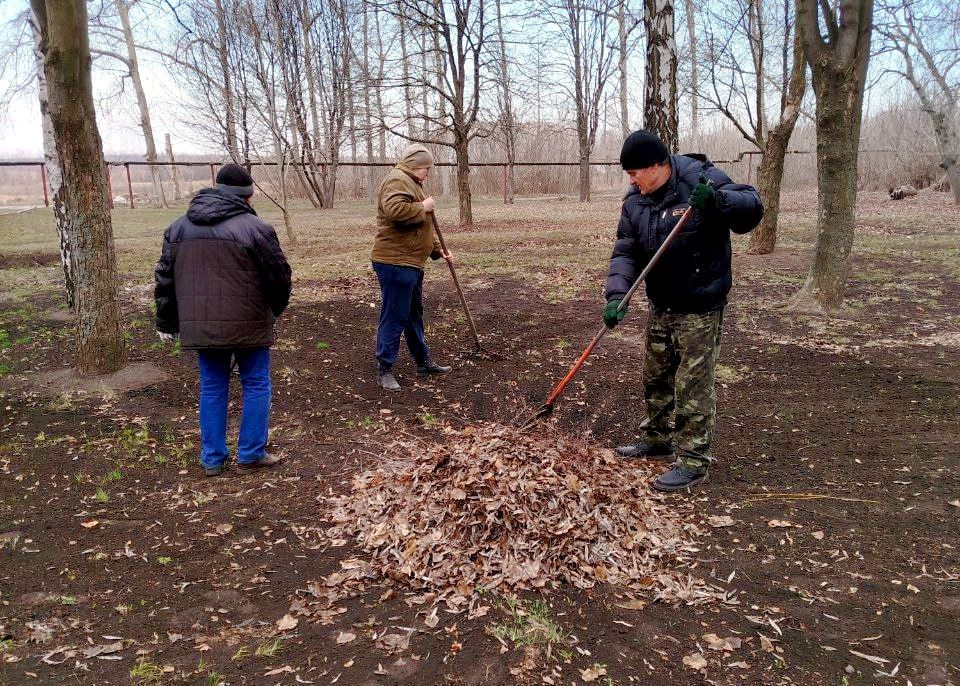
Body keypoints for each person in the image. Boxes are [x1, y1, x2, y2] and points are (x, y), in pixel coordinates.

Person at [604, 130, 763, 492]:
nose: (631, 181)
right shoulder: (635, 201)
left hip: (699, 303)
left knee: (692, 384)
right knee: (656, 376)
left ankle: (693, 460)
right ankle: (656, 439)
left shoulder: (699, 178)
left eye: (634, 173)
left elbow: (752, 206)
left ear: (656, 166)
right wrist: (616, 296)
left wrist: (718, 201)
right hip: (661, 301)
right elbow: (626, 251)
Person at [154, 163, 292, 477]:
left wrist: (166, 321)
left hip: (202, 325)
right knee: (256, 383)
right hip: (249, 324)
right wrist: (275, 309)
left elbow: (165, 279)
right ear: (247, 196)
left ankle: (213, 458)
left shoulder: (178, 229)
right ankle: (251, 454)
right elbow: (279, 277)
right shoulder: (256, 229)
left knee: (212, 387)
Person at [371, 143, 452, 391]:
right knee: (395, 315)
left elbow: (421, 229)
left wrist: (437, 250)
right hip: (395, 262)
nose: (428, 173)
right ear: (415, 165)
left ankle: (422, 361)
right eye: (426, 168)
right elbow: (395, 212)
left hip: (410, 262)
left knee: (413, 313)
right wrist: (422, 207)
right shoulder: (397, 180)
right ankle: (385, 368)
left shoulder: (412, 182)